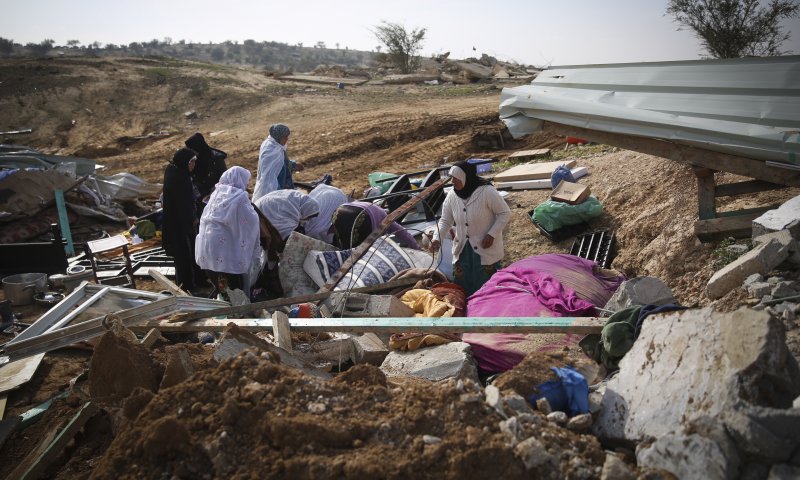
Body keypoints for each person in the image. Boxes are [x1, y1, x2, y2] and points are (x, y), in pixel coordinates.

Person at [430, 161, 511, 296]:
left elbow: (504, 213)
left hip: (485, 249)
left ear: (466, 177)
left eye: (456, 178)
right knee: (463, 287)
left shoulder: (486, 192)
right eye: (452, 178)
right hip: (463, 249)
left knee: (487, 289)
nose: (453, 182)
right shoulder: (452, 196)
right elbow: (445, 220)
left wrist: (491, 234)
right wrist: (437, 238)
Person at [195, 166, 261, 296]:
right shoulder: (240, 197)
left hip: (207, 249)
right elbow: (250, 221)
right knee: (235, 289)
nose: (247, 185)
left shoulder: (215, 194)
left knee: (221, 285)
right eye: (246, 181)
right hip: (226, 253)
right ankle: (237, 311)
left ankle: (224, 303)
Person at [161, 148, 200, 291]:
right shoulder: (178, 176)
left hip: (178, 221)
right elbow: (183, 202)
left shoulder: (176, 171)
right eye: (192, 162)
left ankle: (190, 282)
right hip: (178, 223)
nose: (193, 166)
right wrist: (192, 218)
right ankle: (186, 286)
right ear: (185, 162)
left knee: (185, 253)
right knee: (183, 255)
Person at [331, 201, 419, 250]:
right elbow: (402, 233)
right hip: (362, 216)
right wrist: (417, 248)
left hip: (340, 210)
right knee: (362, 249)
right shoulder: (385, 219)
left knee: (344, 241)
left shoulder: (377, 210)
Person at [252, 123, 303, 201]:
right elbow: (270, 178)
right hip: (276, 189)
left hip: (284, 185)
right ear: (279, 137)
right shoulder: (271, 150)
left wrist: (293, 165)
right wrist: (280, 195)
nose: (287, 139)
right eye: (285, 137)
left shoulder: (277, 146)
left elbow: (282, 163)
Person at [253, 189, 320, 241]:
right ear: (306, 211)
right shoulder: (291, 209)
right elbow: (286, 235)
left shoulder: (297, 199)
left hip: (260, 210)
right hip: (260, 215)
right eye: (308, 217)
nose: (307, 220)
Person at [185, 132, 227, 206]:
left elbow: (224, 180)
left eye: (192, 150)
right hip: (200, 197)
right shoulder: (195, 160)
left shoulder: (216, 160)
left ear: (197, 148)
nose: (191, 152)